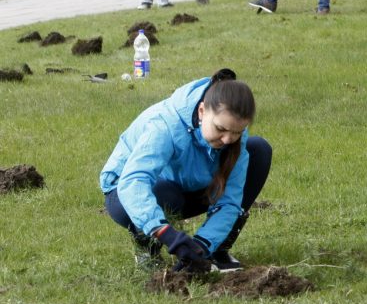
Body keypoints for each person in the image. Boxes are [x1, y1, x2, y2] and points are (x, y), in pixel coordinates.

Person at [100, 69, 272, 272]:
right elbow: (134, 182)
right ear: (201, 112)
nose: (227, 139)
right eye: (221, 129)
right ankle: (147, 246)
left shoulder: (235, 138)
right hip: (126, 193)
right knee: (168, 195)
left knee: (258, 150)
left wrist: (201, 247)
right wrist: (166, 234)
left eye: (237, 131)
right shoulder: (165, 125)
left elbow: (230, 201)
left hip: (189, 187)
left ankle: (217, 248)